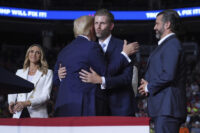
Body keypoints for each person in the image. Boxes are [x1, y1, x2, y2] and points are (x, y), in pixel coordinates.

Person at [53, 15, 139, 117]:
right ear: (91, 29)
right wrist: (124, 55)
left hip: (63, 107)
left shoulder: (64, 50)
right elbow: (107, 72)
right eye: (95, 24)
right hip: (85, 106)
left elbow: (55, 80)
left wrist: (59, 75)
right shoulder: (92, 47)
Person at [138, 9, 186, 133]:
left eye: (157, 23)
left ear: (167, 24)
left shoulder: (172, 44)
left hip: (167, 109)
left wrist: (149, 87)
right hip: (163, 109)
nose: (154, 27)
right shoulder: (166, 45)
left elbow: (168, 75)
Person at [8, 44, 53, 118]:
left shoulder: (48, 73)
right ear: (28, 54)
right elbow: (13, 91)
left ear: (41, 56)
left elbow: (46, 96)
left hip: (37, 114)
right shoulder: (19, 72)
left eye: (37, 52)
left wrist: (26, 103)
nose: (34, 54)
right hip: (19, 112)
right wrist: (11, 102)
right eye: (31, 51)